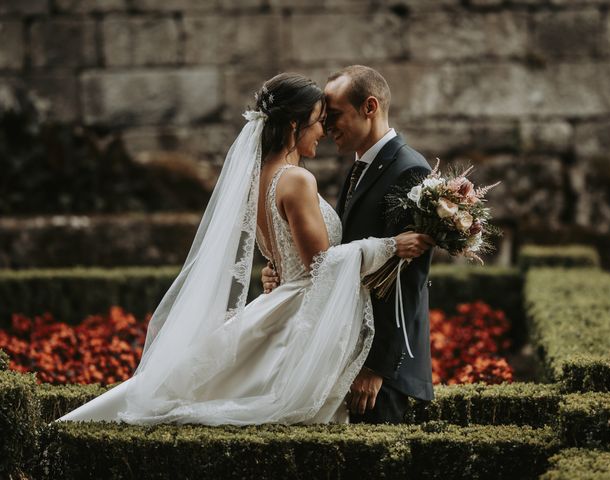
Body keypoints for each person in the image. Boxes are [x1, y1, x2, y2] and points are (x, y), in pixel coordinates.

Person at [56, 72, 431, 426]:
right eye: (318, 120)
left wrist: (278, 268)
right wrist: (388, 246)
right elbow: (322, 267)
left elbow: (289, 254)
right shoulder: (297, 179)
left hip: (285, 301)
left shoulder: (255, 180)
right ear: (292, 126)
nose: (325, 129)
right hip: (304, 311)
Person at [262, 66, 435, 424]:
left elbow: (407, 280)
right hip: (340, 346)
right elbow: (325, 255)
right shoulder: (357, 168)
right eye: (322, 119)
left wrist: (376, 366)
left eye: (335, 115)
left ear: (369, 107)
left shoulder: (408, 170)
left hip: (374, 370)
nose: (326, 128)